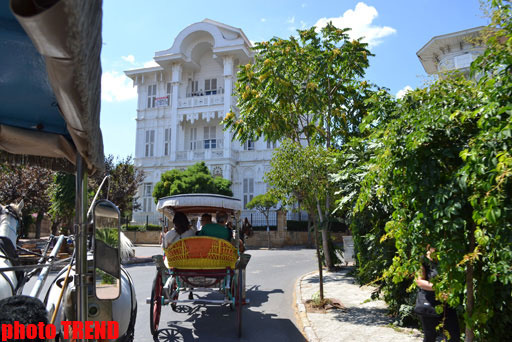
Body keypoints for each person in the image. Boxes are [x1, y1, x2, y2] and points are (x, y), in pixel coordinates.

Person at [415, 245, 460, 342]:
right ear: (428, 247)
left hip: (447, 303)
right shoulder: (422, 260)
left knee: (454, 335)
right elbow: (419, 281)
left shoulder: (446, 259)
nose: (439, 249)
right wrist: (439, 288)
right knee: (430, 337)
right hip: (429, 303)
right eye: (435, 247)